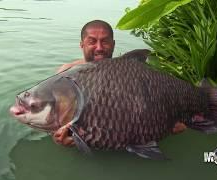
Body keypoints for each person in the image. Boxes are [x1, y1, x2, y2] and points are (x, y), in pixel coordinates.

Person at [52, 20, 186, 147]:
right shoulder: (65, 73)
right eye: (92, 41)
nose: (99, 48)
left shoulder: (132, 74)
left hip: (135, 142)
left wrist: (173, 121)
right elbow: (53, 117)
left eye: (105, 42)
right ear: (82, 44)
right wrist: (57, 137)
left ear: (113, 44)